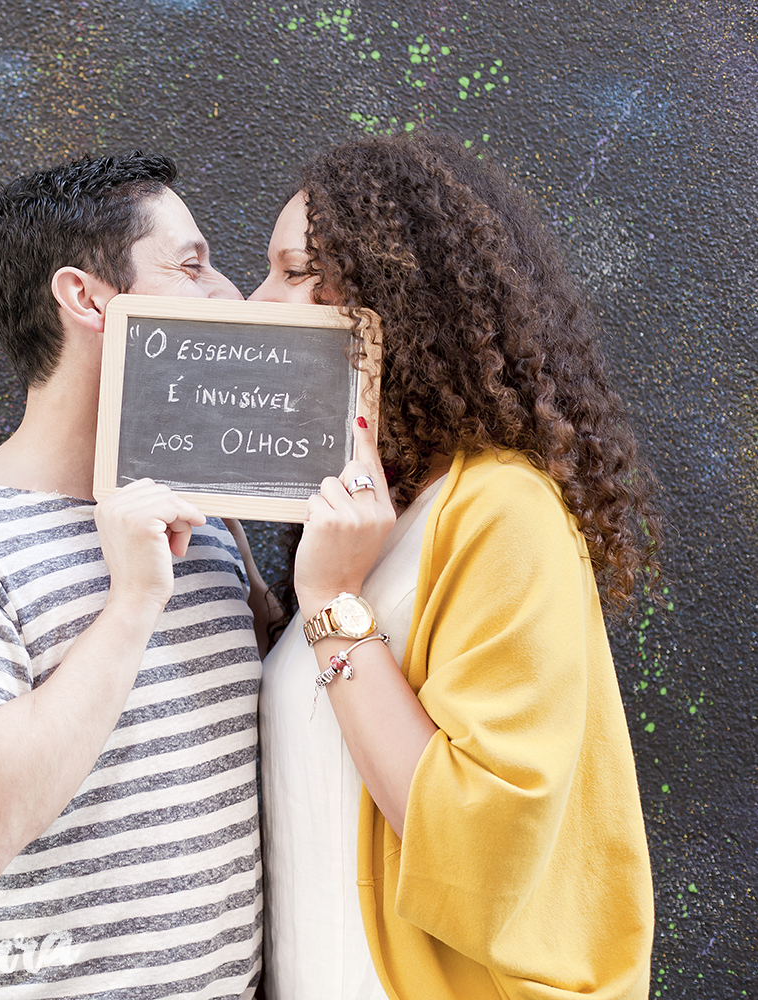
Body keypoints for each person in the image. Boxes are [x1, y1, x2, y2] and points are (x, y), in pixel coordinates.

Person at [249, 132, 659, 1000]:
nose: (259, 301)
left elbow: (478, 844)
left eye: (293, 272)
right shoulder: (377, 515)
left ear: (387, 300)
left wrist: (328, 601)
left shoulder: (501, 513)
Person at [0, 152, 267, 998]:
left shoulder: (208, 517)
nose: (228, 295)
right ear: (87, 299)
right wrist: (131, 605)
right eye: (190, 266)